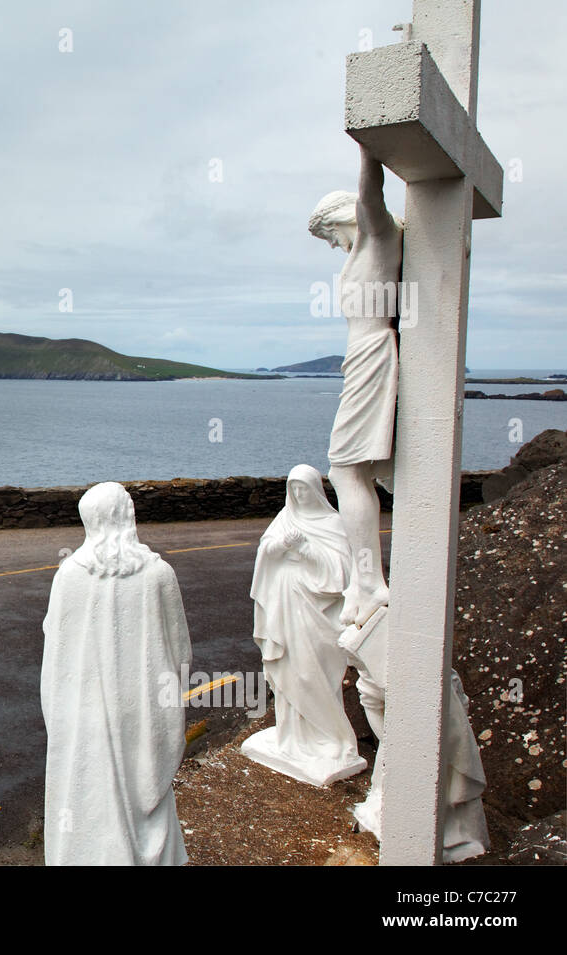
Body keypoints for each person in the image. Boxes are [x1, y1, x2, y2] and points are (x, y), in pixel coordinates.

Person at [40, 482, 192, 865]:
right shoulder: (159, 574)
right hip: (143, 712)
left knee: (89, 787)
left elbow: (55, 647)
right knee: (142, 784)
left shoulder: (70, 574)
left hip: (84, 710)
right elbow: (180, 651)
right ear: (128, 516)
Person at [308, 143, 404, 627]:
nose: (330, 244)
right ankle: (367, 579)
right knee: (355, 470)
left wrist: (369, 141)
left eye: (327, 233)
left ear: (342, 218)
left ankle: (370, 580)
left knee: (345, 468)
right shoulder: (364, 249)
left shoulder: (377, 234)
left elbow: (372, 192)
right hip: (362, 357)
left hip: (372, 354)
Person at [242, 465, 365, 786]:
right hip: (283, 603)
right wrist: (281, 546)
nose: (298, 495)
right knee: (287, 670)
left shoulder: (333, 524)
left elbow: (341, 572)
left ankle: (328, 737)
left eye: (303, 489)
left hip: (317, 614)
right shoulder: (285, 518)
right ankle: (291, 735)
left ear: (315, 491)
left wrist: (305, 550)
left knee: (313, 673)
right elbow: (265, 553)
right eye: (293, 489)